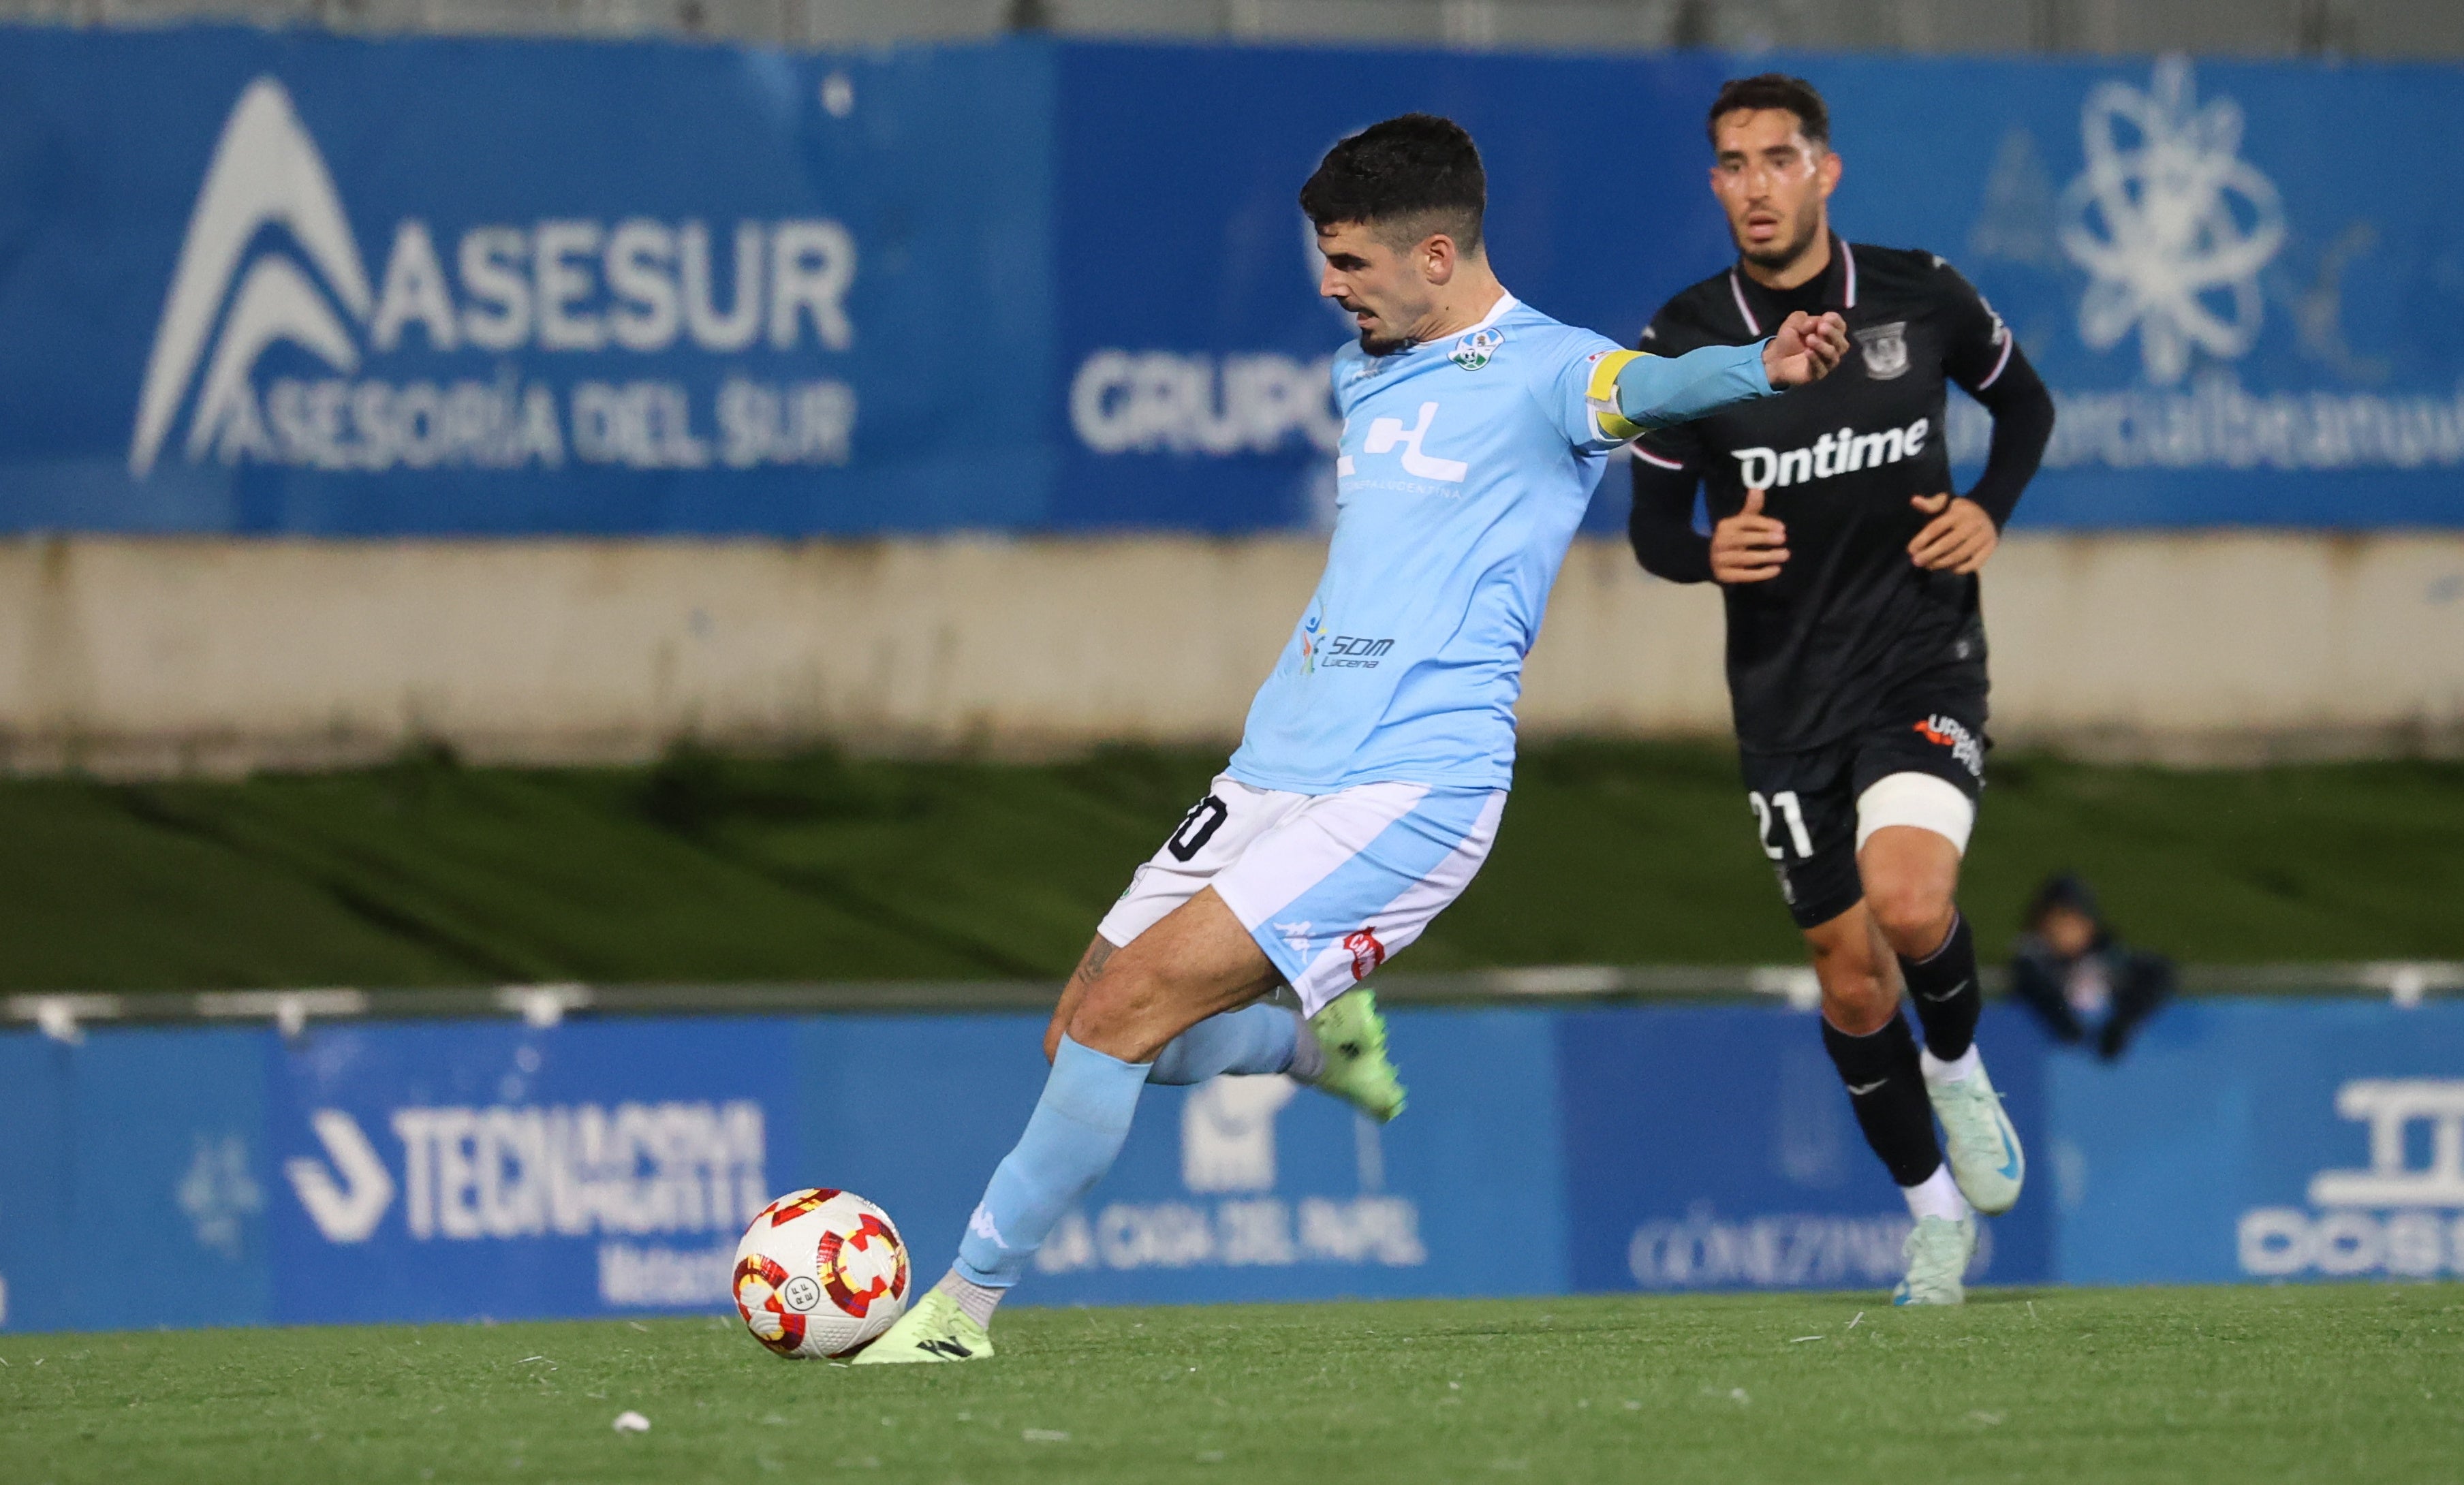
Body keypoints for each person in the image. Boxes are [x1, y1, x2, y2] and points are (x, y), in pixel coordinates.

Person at [858, 113, 1848, 1362]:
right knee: (1083, 1034)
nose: (1328, 290)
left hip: (1414, 784)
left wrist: (1764, 366)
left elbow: (1648, 388)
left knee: (1123, 1015)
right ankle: (1308, 1040)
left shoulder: (1555, 369)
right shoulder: (1364, 371)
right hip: (1276, 760)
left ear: (1437, 255)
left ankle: (960, 1313)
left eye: (1351, 266)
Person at [1625, 75, 2057, 1306]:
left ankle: (1962, 1064)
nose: (1754, 186)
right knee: (1850, 973)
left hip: (1920, 657)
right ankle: (1931, 1221)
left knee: (1909, 903)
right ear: (1713, 184)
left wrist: (1986, 509)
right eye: (1731, 164)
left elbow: (2022, 403)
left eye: (1776, 159)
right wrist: (1705, 554)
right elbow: (1652, 528)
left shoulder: (1919, 292)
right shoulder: (1683, 341)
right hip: (1781, 699)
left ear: (1826, 170)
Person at [2009, 873, 2174, 1060]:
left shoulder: (2110, 958)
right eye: (2055, 920)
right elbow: (2035, 989)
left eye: (2070, 919)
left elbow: (2159, 974)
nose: (2061, 929)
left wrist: (2122, 1025)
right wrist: (2070, 1029)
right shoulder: (2033, 961)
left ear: (2088, 924)